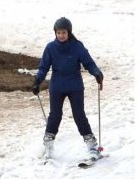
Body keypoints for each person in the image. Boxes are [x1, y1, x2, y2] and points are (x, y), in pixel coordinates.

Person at [32, 17, 104, 160]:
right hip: (57, 86)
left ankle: (92, 145)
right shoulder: (51, 48)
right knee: (55, 115)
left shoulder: (77, 46)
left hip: (75, 86)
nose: (61, 35)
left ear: (69, 32)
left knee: (79, 115)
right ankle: (48, 145)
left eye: (63, 32)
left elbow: (88, 63)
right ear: (55, 33)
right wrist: (37, 81)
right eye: (58, 33)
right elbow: (44, 67)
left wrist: (97, 73)